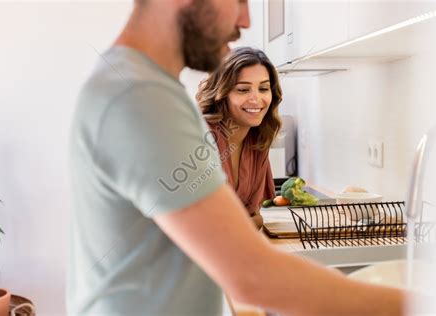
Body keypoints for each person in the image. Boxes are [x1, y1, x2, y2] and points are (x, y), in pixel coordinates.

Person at [68, 0, 406, 315]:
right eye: (240, 0)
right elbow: (252, 276)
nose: (245, 19)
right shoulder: (142, 96)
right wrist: (419, 305)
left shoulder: (141, 88)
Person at [197, 47, 281, 229]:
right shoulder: (200, 137)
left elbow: (255, 216)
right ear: (222, 94)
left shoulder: (257, 141)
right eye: (243, 90)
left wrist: (243, 224)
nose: (256, 98)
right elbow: (199, 226)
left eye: (264, 88)